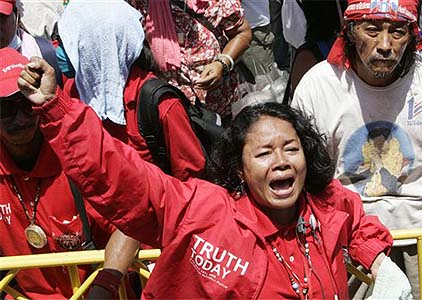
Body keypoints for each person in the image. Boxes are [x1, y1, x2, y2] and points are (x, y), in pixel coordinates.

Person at [17, 55, 414, 299]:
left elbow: (355, 218)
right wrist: (57, 110)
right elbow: (120, 175)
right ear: (239, 170)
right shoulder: (202, 211)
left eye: (291, 149)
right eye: (263, 153)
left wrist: (378, 261)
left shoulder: (323, 204)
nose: (281, 161)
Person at [291, 0, 422, 298]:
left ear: (413, 35)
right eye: (372, 30)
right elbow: (306, 181)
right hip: (350, 240)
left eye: (398, 32)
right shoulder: (318, 86)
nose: (385, 45)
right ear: (351, 31)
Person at [0, 47, 139, 299]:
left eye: (25, 105)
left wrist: (104, 288)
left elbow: (130, 220)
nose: (18, 118)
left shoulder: (75, 156)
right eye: (4, 110)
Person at [57, 0, 205, 180]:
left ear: (96, 47)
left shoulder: (159, 104)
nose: (58, 50)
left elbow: (193, 181)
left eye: (68, 44)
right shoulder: (72, 93)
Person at [145, 0, 252, 118]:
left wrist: (222, 63)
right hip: (172, 111)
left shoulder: (215, 2)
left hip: (219, 106)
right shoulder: (141, 4)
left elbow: (242, 33)